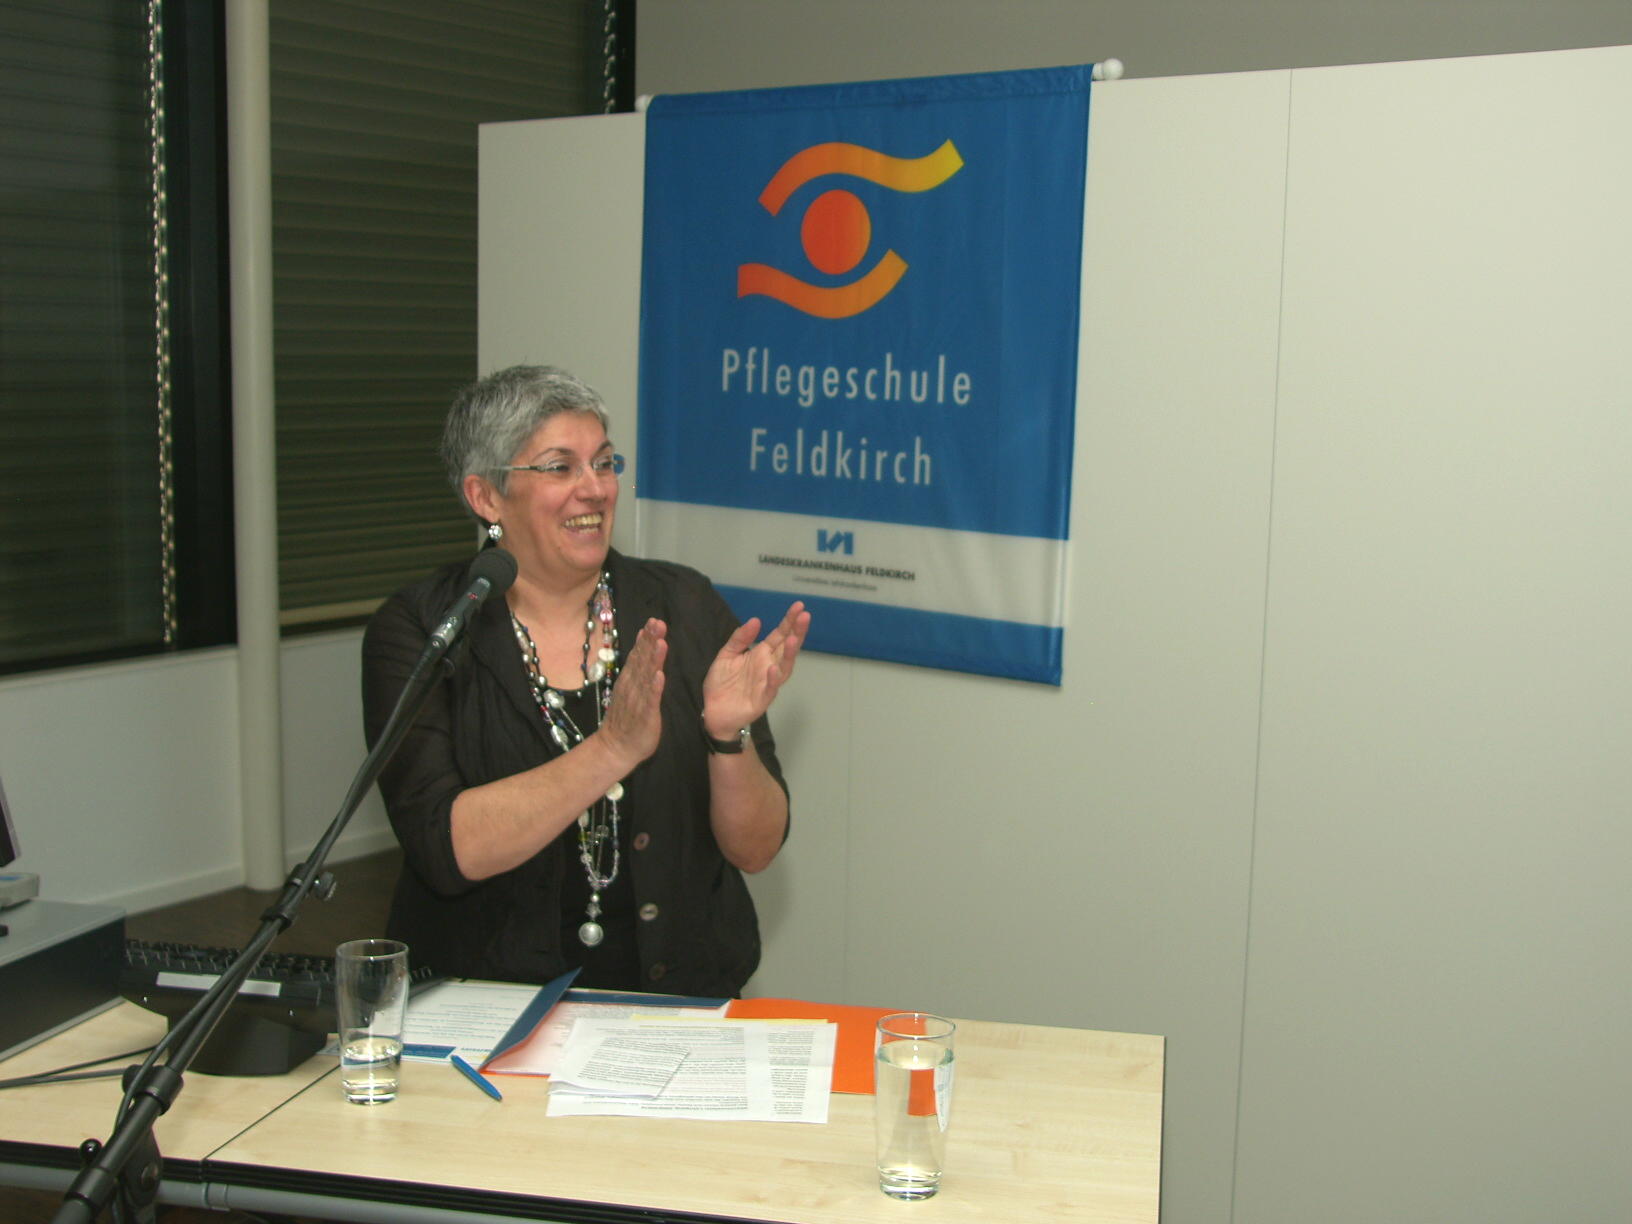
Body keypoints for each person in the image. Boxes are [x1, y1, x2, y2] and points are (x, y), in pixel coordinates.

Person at [362, 365, 809, 997]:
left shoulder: (684, 605)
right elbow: (445, 849)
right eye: (559, 467)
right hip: (491, 1009)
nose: (595, 489)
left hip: (680, 1000)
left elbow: (757, 850)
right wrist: (611, 749)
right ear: (486, 498)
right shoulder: (423, 628)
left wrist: (726, 736)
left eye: (603, 463)